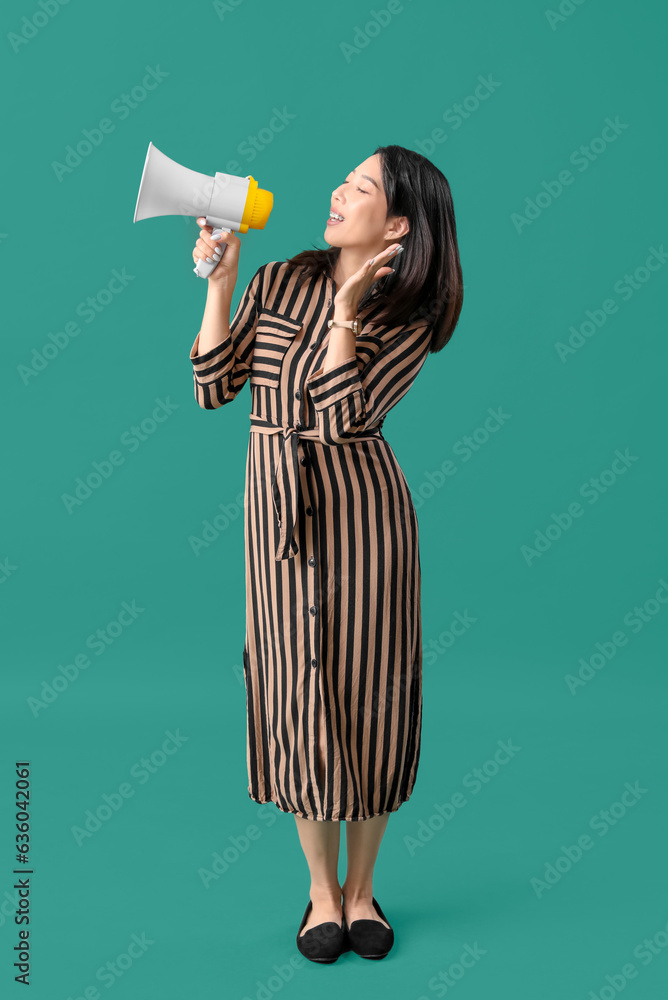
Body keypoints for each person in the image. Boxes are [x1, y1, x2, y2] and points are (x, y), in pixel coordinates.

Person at [189, 144, 463, 962]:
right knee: (294, 691)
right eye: (342, 178)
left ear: (400, 222)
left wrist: (347, 308)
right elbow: (213, 384)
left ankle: (362, 889)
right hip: (275, 511)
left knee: (370, 691)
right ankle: (319, 892)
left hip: (365, 521)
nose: (338, 192)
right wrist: (221, 282)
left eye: (361, 186)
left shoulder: (409, 318)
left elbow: (345, 419)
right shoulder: (279, 280)